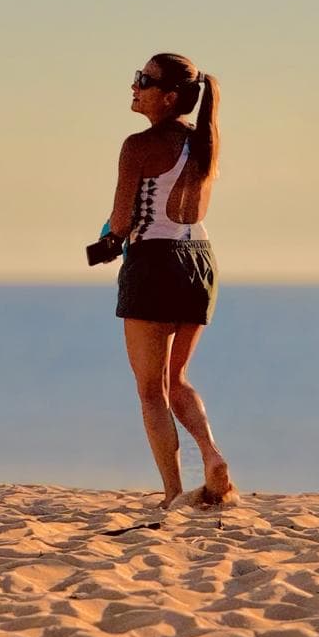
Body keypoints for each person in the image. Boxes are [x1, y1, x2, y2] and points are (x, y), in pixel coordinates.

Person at [96, 53, 236, 509]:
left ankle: (174, 493)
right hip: (200, 260)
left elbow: (121, 221)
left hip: (154, 262)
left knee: (149, 389)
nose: (134, 86)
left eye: (144, 80)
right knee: (178, 379)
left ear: (170, 96)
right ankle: (212, 454)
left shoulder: (137, 146)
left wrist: (106, 242)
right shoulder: (204, 142)